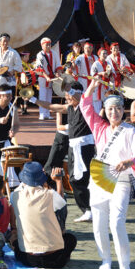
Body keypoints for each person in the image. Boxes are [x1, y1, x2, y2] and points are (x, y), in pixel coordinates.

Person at [81, 79, 135, 269]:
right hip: (100, 179)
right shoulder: (99, 128)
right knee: (98, 223)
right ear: (105, 110)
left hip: (121, 181)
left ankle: (125, 267)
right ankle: (105, 259)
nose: (114, 113)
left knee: (117, 222)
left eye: (118, 109)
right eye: (110, 109)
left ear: (123, 110)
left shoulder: (131, 132)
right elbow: (84, 106)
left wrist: (130, 161)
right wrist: (93, 85)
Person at [30, 82, 94, 222]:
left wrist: (70, 89)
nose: (67, 96)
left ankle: (89, 209)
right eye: (67, 94)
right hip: (73, 147)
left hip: (84, 147)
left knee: (79, 179)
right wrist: (33, 100)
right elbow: (51, 107)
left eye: (70, 94)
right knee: (75, 179)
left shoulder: (85, 105)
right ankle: (89, 209)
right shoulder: (69, 107)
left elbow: (79, 97)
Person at [9, 161, 77, 268]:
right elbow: (61, 203)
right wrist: (58, 181)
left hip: (28, 259)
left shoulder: (14, 195)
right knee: (70, 239)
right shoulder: (50, 194)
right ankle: (61, 234)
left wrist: (13, 228)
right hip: (55, 259)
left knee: (15, 240)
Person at [34, 37, 62, 120]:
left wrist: (58, 73)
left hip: (51, 78)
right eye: (47, 45)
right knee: (43, 96)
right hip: (43, 79)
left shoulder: (54, 53)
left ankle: (47, 113)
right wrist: (46, 77)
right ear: (42, 46)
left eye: (49, 44)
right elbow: (39, 68)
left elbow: (58, 65)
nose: (49, 46)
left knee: (49, 96)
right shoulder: (40, 55)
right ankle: (42, 114)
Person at [90, 48, 114, 114]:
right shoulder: (96, 64)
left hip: (106, 87)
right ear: (99, 55)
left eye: (106, 53)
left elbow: (112, 73)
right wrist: (101, 73)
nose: (105, 55)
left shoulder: (108, 63)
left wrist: (110, 74)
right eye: (103, 53)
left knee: (107, 106)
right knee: (97, 108)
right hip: (98, 88)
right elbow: (92, 75)